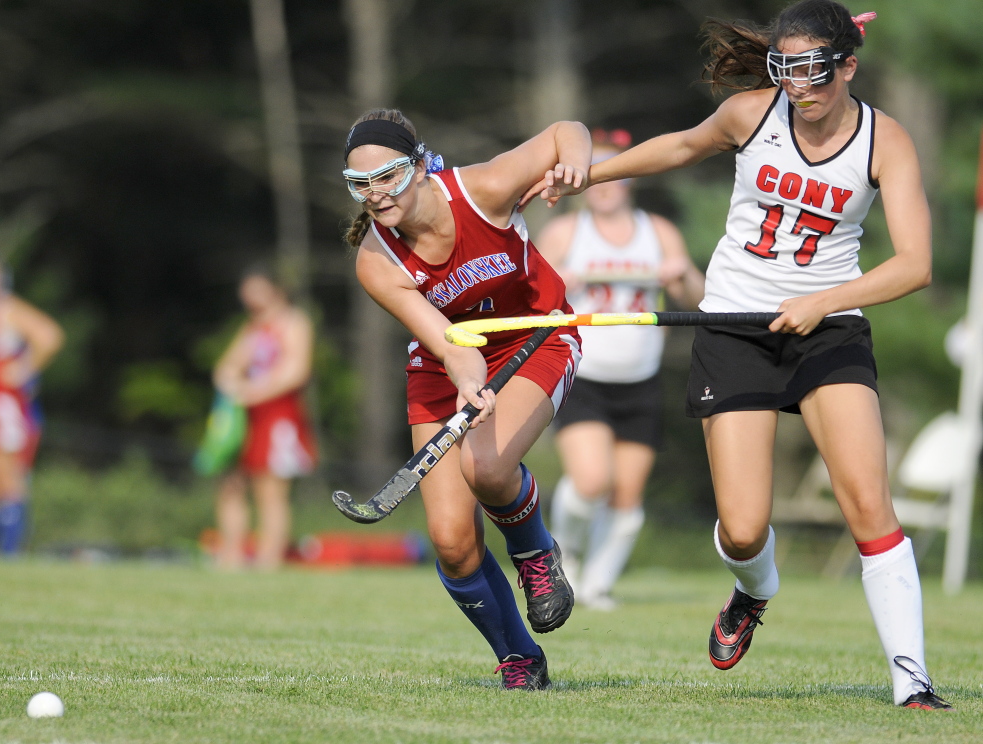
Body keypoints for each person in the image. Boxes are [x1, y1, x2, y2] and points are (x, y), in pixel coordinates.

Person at [536, 0, 949, 710]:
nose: (797, 87)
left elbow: (914, 264)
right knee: (744, 526)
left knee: (867, 505)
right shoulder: (751, 114)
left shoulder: (887, 142)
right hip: (733, 327)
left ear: (848, 67)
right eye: (785, 69)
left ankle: (911, 683)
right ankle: (752, 592)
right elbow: (676, 147)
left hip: (828, 330)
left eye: (813, 71)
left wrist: (825, 299)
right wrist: (590, 177)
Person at [343, 108, 589, 690]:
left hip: (535, 337)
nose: (376, 195)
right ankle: (519, 658)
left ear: (422, 165)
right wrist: (464, 376)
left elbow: (563, 133)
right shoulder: (376, 262)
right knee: (453, 542)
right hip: (447, 360)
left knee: (487, 464)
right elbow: (448, 346)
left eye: (388, 176)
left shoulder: (484, 189)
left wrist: (576, 162)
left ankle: (535, 555)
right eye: (361, 185)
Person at [536, 128, 705, 610]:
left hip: (641, 378)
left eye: (615, 176)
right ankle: (559, 564)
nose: (607, 187)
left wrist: (683, 276)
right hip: (584, 374)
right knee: (592, 481)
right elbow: (534, 301)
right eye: (597, 177)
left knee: (627, 496)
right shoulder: (566, 233)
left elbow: (695, 300)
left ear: (629, 180)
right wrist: (559, 284)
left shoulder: (658, 232)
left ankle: (599, 584)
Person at [212, 266, 317, 571]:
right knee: (231, 483)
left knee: (270, 490)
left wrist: (250, 391)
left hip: (279, 417)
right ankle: (230, 555)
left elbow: (296, 372)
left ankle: (267, 559)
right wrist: (231, 384)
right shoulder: (253, 327)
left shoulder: (294, 323)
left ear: (275, 291)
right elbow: (227, 366)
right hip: (245, 418)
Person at [0, 255, 64, 554]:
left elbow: (50, 336)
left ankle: (8, 551)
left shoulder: (8, 310)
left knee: (8, 478)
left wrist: (24, 370)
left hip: (4, 406)